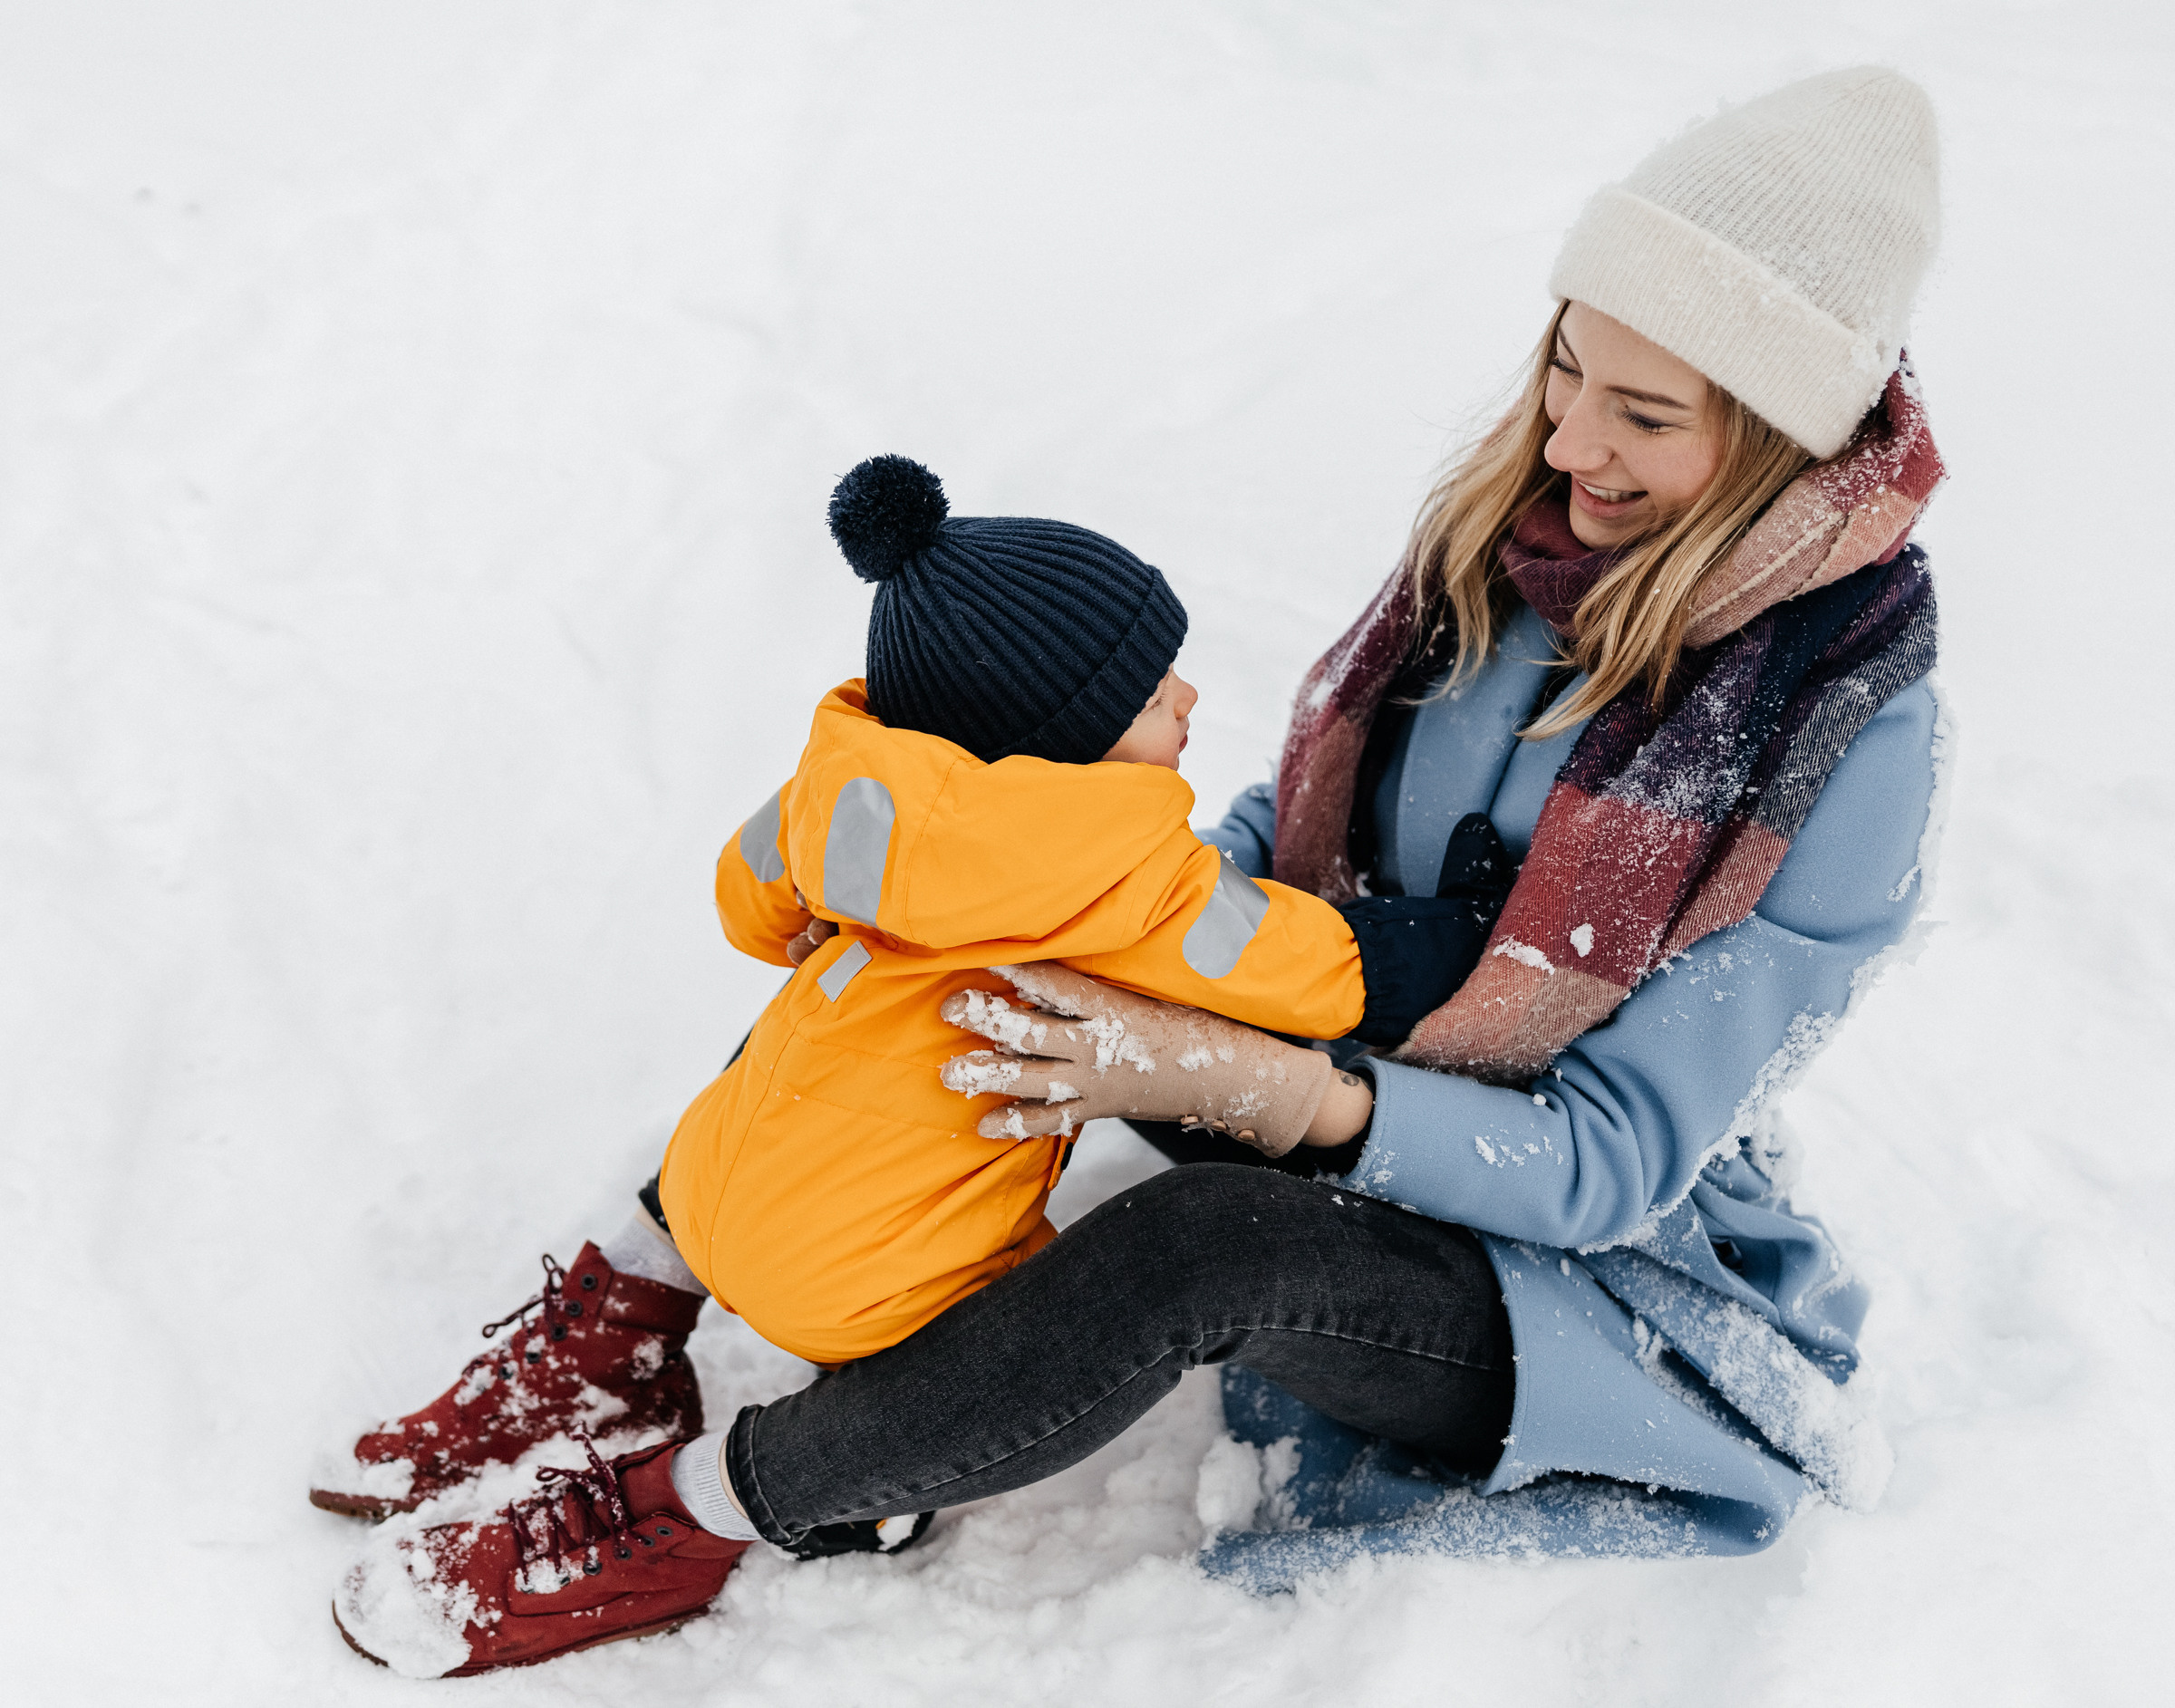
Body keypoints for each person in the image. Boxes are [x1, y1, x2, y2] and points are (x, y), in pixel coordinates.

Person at [332, 64, 1946, 1679]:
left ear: (1776, 442)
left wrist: (1258, 1083)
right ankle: (628, 1314)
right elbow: (1288, 833)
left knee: (1201, 1243)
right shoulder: (1522, 543)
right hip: (1341, 1012)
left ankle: (702, 1511)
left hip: (1571, 1263)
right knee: (949, 920)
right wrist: (1103, 913)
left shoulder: (1838, 729)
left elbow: (1609, 1162)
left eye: (1646, 416)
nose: (1569, 438)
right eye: (1568, 367)